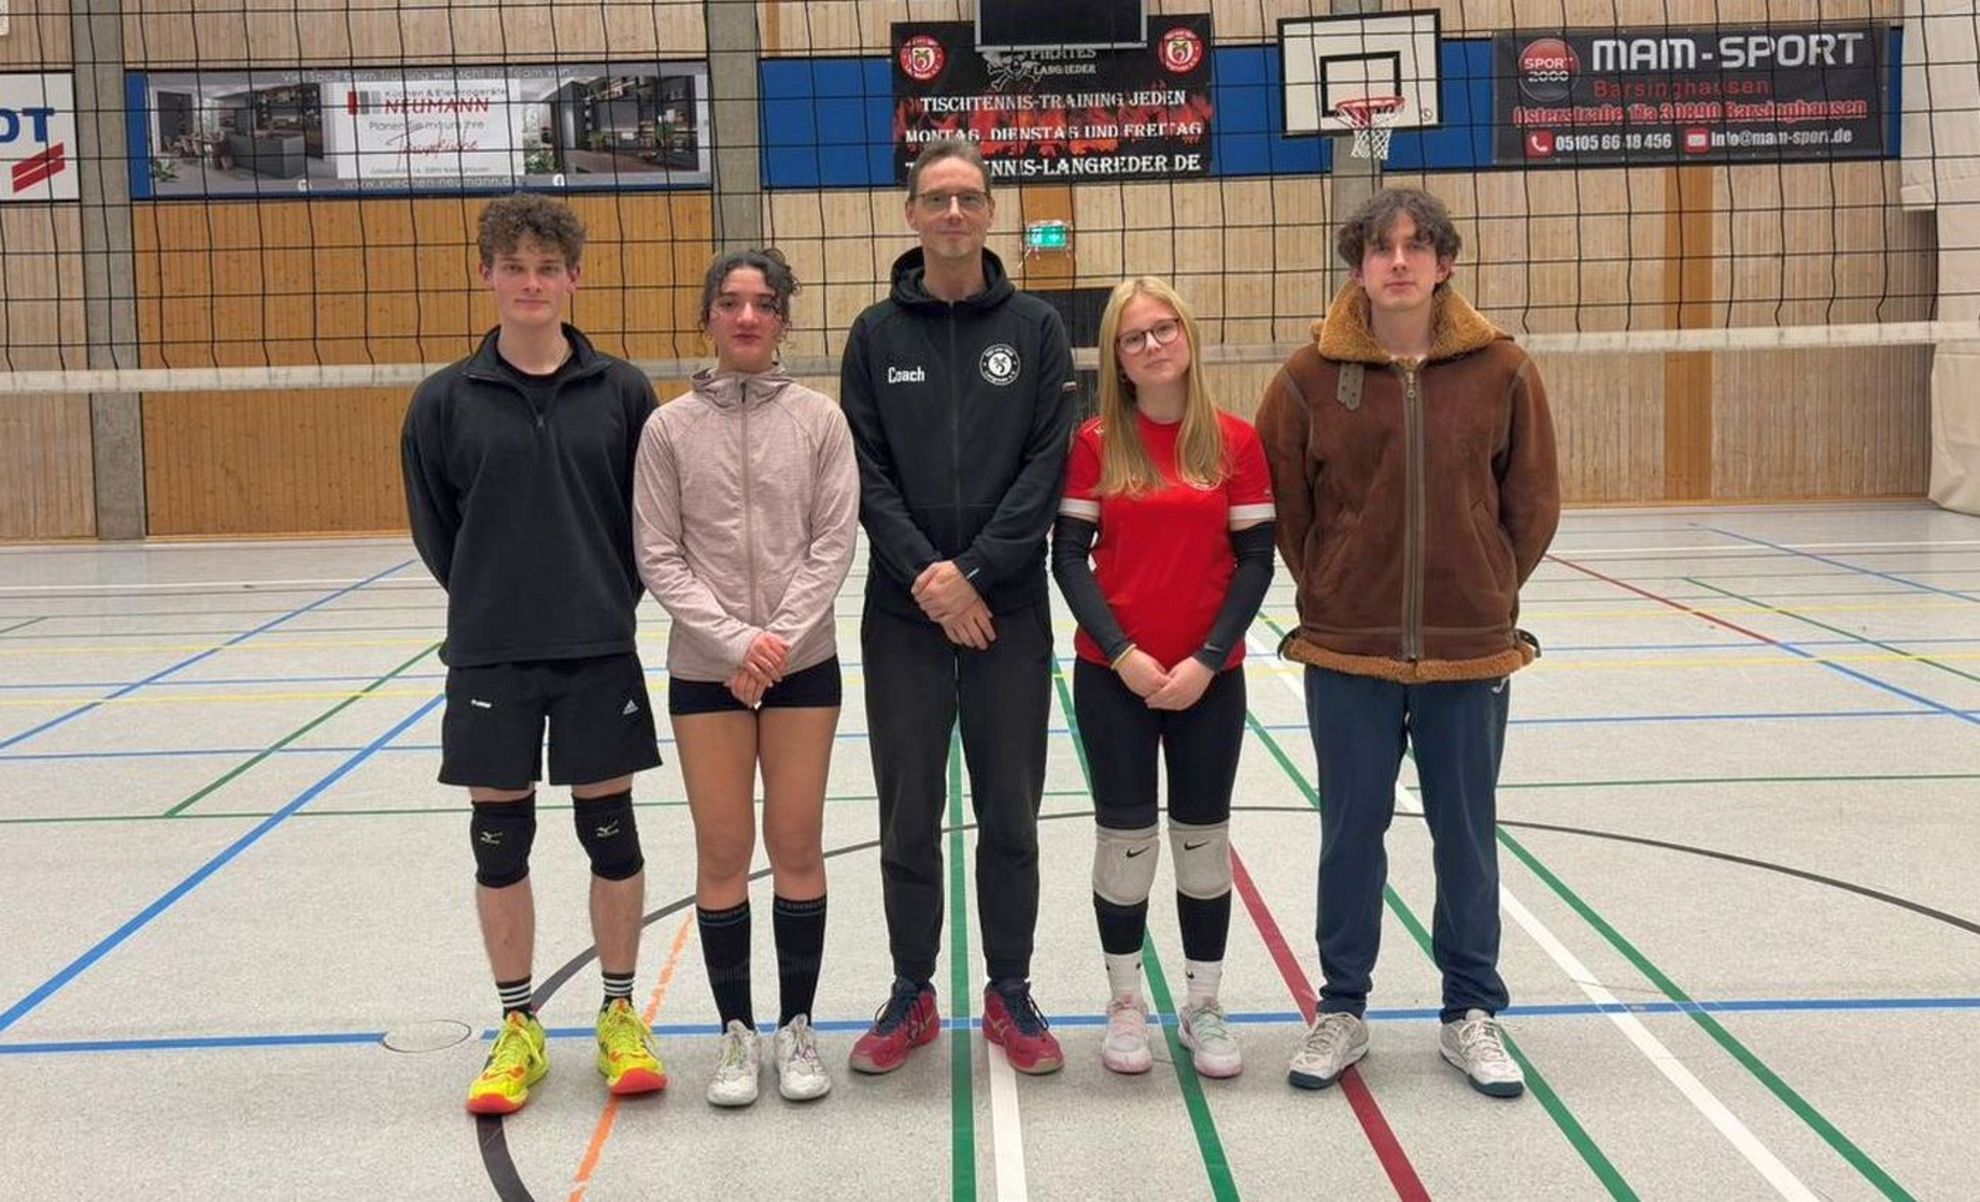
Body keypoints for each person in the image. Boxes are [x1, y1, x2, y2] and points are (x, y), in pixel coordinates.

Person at [1254, 187, 1560, 1098]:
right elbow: (1287, 506)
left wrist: (1486, 585)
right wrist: (1333, 582)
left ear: (1444, 262)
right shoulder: (1306, 377)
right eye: (1381, 248)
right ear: (1357, 266)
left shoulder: (1504, 370)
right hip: (1347, 648)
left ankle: (1471, 1012)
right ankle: (1342, 1007)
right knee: (1350, 835)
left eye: (1416, 246)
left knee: (1466, 835)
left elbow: (1533, 502)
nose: (1398, 261)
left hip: (1471, 648)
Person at [401, 193, 667, 1115]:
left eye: (547, 268)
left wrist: (601, 601)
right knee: (499, 840)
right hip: (491, 652)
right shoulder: (444, 401)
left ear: (573, 279)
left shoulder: (624, 392)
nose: (530, 283)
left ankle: (620, 1013)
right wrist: (493, 601)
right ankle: (518, 1026)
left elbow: (646, 524)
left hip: (597, 645)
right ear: (486, 275)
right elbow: (438, 533)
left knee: (611, 832)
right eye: (513, 267)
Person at [839, 137, 1076, 1075]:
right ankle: (913, 993)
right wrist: (932, 582)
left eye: (968, 197)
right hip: (904, 611)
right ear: (910, 214)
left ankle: (1010, 991)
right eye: (935, 198)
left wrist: (973, 573)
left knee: (1011, 812)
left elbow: (1046, 465)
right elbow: (864, 472)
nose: (951, 213)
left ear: (990, 212)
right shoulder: (873, 335)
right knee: (907, 814)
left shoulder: (1037, 327)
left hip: (1006, 609)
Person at [632, 249, 858, 1107]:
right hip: (707, 669)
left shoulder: (820, 421)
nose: (747, 317)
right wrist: (735, 644)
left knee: (796, 844)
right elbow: (658, 552)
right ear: (709, 318)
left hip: (803, 665)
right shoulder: (668, 429)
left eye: (763, 303)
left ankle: (797, 1029)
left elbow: (833, 542)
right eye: (730, 303)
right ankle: (736, 1032)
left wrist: (777, 642)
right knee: (724, 850)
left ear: (784, 320)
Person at [1051, 277, 1275, 1078]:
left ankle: (1203, 1004)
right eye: (1134, 336)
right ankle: (1125, 1003)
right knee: (1125, 845)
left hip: (1210, 679)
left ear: (1188, 335)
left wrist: (1208, 658)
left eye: (1164, 329)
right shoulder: (1094, 443)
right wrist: (1124, 654)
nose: (1152, 345)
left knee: (1203, 845)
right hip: (1115, 676)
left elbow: (1256, 561)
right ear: (1117, 355)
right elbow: (1068, 559)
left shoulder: (1235, 441)